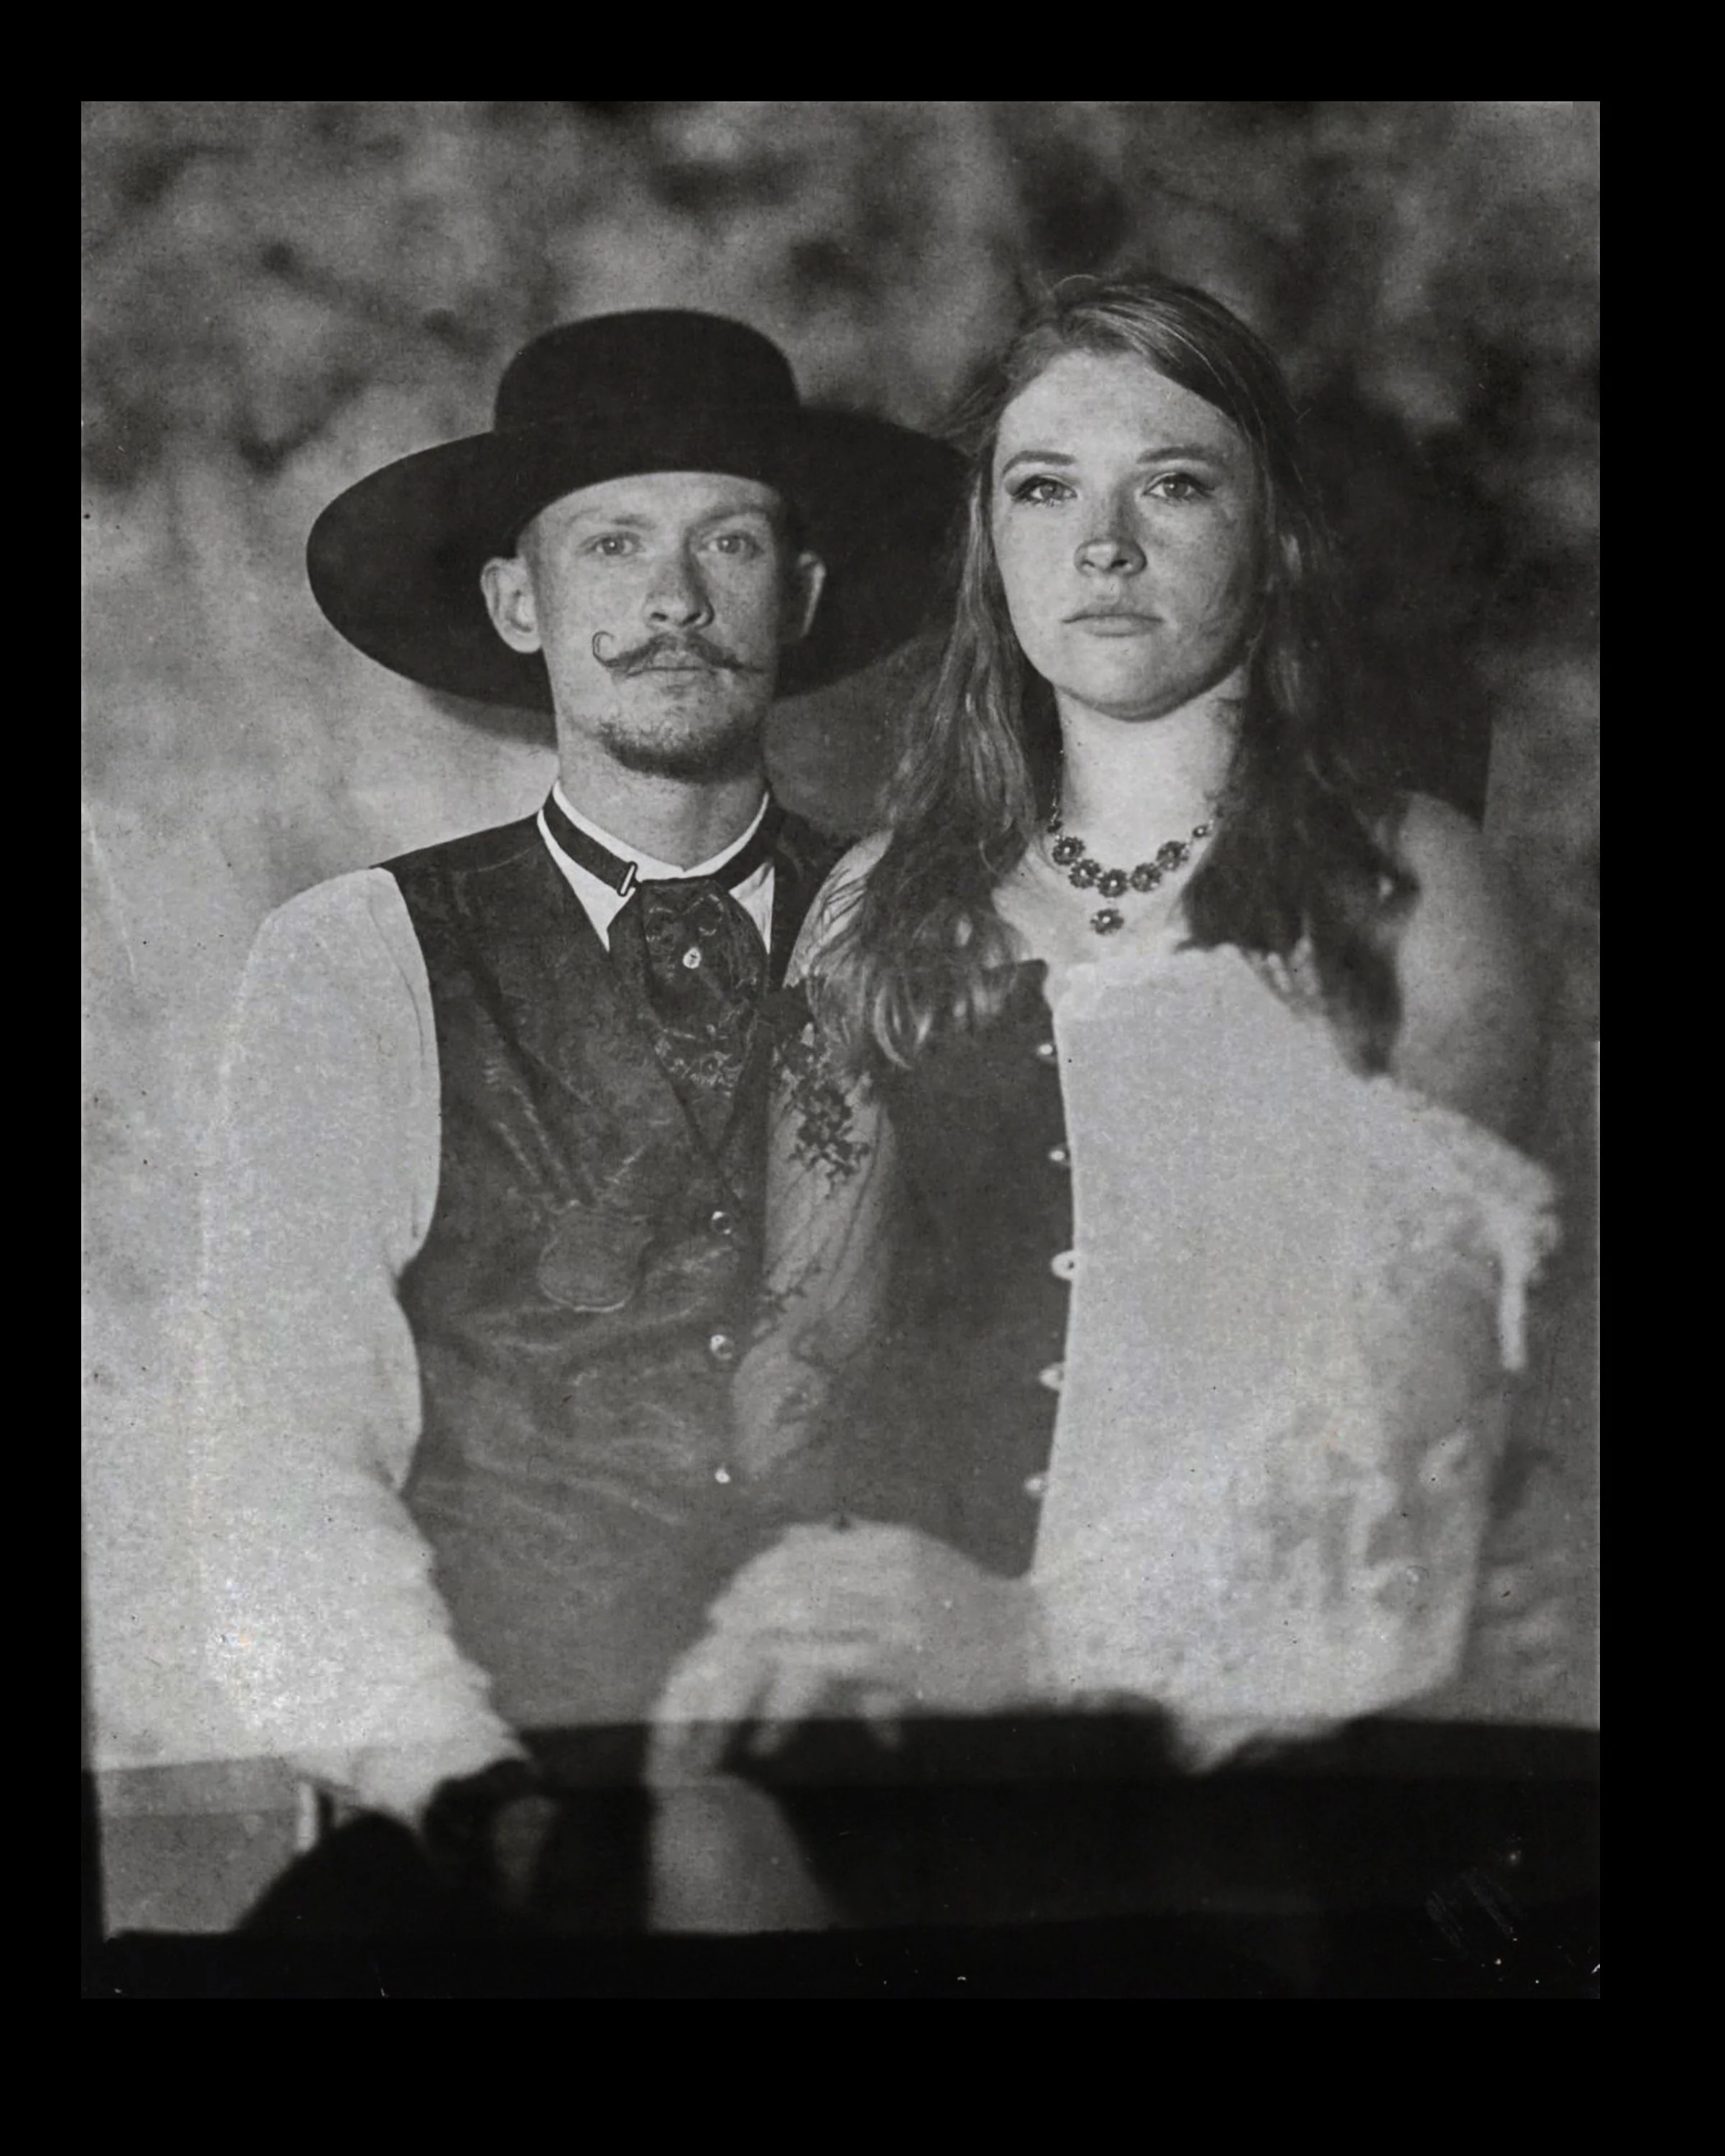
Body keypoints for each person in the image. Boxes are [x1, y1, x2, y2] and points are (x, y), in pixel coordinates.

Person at [650, 277, 1570, 1920]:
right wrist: (782, 1592)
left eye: (1175, 481)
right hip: (936, 1728)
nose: (1105, 544)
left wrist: (1039, 1635)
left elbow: (1408, 1424)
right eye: (1045, 487)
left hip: (1283, 1726)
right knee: (712, 1828)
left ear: (1275, 537)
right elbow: (808, 1350)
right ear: (989, 545)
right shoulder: (881, 905)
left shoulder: (1417, 890)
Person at [191, 309, 960, 1927]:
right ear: (517, 602)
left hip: (882, 1796)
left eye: (725, 540)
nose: (671, 599)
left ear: (799, 596)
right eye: (612, 543)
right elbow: (281, 1459)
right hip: (503, 1800)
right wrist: (466, 1787)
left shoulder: (941, 933)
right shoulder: (354, 962)